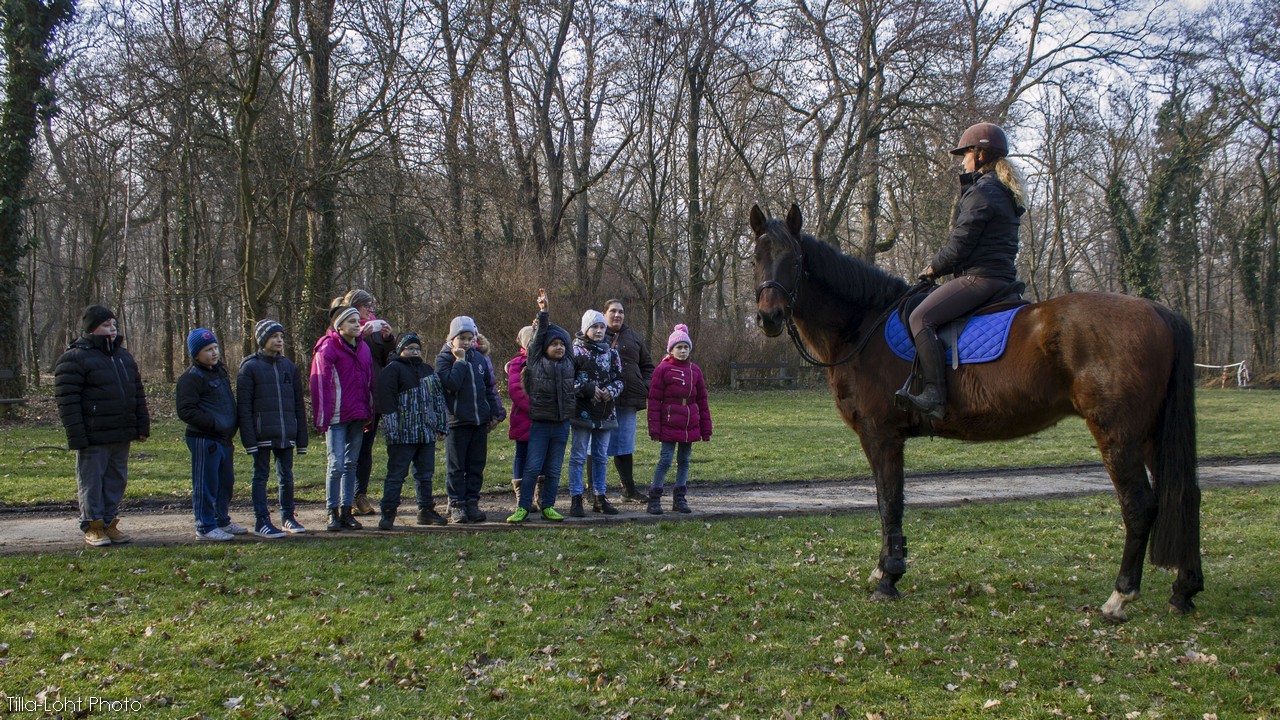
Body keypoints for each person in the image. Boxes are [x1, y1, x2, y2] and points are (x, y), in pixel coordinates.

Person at [897, 122, 1027, 420]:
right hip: (1000, 276)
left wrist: (933, 268)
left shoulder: (984, 191)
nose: (963, 160)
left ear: (980, 155)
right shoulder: (1002, 190)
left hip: (980, 277)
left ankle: (934, 395)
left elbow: (961, 243)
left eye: (965, 154)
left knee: (920, 317)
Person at [54, 304, 150, 546]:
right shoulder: (74, 358)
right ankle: (93, 525)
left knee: (116, 479)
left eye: (114, 324)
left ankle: (108, 521)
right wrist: (76, 436)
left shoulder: (123, 356)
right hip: (93, 434)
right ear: (92, 328)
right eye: (107, 324)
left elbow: (137, 392)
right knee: (91, 481)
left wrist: (141, 425)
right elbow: (68, 402)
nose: (112, 328)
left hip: (121, 431)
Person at [236, 319, 309, 537]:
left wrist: (301, 438)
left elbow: (298, 404)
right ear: (262, 340)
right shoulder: (249, 367)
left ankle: (288, 516)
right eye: (274, 336)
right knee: (261, 476)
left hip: (286, 433)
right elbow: (244, 407)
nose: (279, 340)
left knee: (286, 476)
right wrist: (249, 440)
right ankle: (262, 521)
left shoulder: (289, 367)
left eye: (281, 336)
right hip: (261, 435)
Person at [507, 290, 572, 523]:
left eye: (562, 345)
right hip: (540, 424)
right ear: (543, 347)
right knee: (532, 467)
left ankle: (549, 506)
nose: (559, 347)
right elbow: (535, 344)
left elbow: (564, 335)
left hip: (562, 424)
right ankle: (523, 507)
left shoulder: (568, 364)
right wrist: (544, 314)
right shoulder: (535, 362)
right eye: (554, 344)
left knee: (554, 470)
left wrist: (554, 328)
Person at [375, 332, 450, 529]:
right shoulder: (392, 370)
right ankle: (388, 513)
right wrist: (392, 431)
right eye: (410, 348)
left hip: (426, 434)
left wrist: (441, 425)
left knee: (425, 475)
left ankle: (425, 510)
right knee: (396, 475)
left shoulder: (427, 370)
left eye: (417, 349)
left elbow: (438, 399)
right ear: (401, 350)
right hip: (402, 435)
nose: (415, 352)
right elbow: (387, 402)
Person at [311, 305, 376, 532]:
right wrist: (322, 417)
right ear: (339, 326)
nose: (357, 325)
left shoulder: (364, 348)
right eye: (351, 322)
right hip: (337, 417)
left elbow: (369, 381)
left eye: (358, 321)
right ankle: (332, 511)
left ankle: (347, 511)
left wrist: (370, 412)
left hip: (358, 415)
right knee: (336, 464)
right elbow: (319, 384)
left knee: (350, 464)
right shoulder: (327, 347)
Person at [436, 316, 506, 523]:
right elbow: (451, 384)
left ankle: (472, 502)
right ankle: (456, 504)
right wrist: (460, 361)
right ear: (452, 338)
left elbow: (488, 388)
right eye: (462, 338)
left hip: (479, 421)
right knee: (457, 467)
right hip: (457, 422)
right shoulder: (444, 359)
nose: (466, 343)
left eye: (470, 338)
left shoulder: (479, 358)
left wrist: (494, 413)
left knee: (476, 465)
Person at [177, 328, 243, 541]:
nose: (214, 353)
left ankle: (221, 519)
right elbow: (186, 410)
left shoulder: (220, 371)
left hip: (225, 439)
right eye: (208, 350)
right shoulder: (191, 377)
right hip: (205, 439)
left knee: (225, 482)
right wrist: (214, 423)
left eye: (215, 348)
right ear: (196, 354)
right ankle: (204, 526)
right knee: (206, 483)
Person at [646, 324, 712, 514]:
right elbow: (654, 400)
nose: (682, 351)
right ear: (671, 349)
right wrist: (655, 428)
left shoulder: (695, 371)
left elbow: (702, 401)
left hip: (689, 424)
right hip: (669, 422)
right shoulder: (663, 369)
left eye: (686, 347)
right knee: (665, 459)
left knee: (684, 460)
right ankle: (655, 497)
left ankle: (680, 498)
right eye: (679, 347)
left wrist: (705, 428)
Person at [567, 309, 624, 517]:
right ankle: (576, 497)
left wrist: (611, 391)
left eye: (602, 327)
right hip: (582, 412)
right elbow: (567, 382)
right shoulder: (575, 352)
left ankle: (600, 496)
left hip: (605, 412)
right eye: (595, 327)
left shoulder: (612, 353)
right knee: (579, 455)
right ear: (586, 329)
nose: (599, 331)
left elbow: (619, 380)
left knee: (601, 456)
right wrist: (588, 389)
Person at [345, 289, 394, 517]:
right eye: (367, 306)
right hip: (353, 398)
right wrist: (359, 337)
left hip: (374, 398)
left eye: (372, 305)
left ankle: (359, 493)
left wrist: (387, 339)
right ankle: (345, 497)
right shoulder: (345, 328)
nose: (371, 310)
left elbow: (385, 359)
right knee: (350, 449)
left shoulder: (374, 327)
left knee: (366, 449)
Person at [603, 299, 655, 503]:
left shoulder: (634, 337)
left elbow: (647, 365)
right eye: (613, 311)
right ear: (604, 313)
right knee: (596, 446)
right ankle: (593, 490)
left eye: (621, 312)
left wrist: (645, 385)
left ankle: (629, 489)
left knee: (625, 444)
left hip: (629, 400)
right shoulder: (596, 333)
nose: (617, 315)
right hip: (602, 401)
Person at [505, 325, 534, 503]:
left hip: (542, 420)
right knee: (521, 455)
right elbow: (516, 390)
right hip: (523, 418)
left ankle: (538, 493)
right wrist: (535, 408)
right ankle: (522, 495)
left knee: (541, 458)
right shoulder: (517, 363)